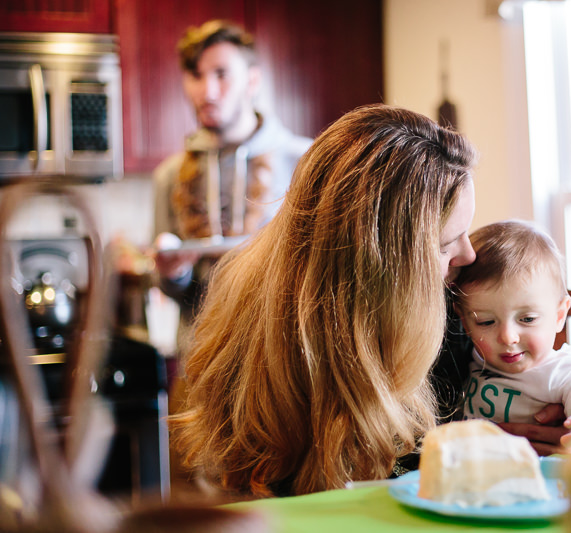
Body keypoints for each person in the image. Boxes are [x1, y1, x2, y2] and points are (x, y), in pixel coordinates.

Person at [172, 104, 478, 498]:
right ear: (380, 267)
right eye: (446, 245)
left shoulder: (459, 314)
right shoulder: (259, 342)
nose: (469, 255)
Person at [152, 19, 312, 359]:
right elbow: (173, 290)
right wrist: (173, 274)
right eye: (196, 75)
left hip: (285, 361)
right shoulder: (170, 176)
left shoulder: (305, 162)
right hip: (202, 364)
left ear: (252, 80)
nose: (207, 91)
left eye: (222, 74)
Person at [452, 220, 571, 442]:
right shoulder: (468, 358)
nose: (508, 337)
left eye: (527, 319)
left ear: (559, 316)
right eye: (486, 322)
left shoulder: (562, 371)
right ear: (464, 322)